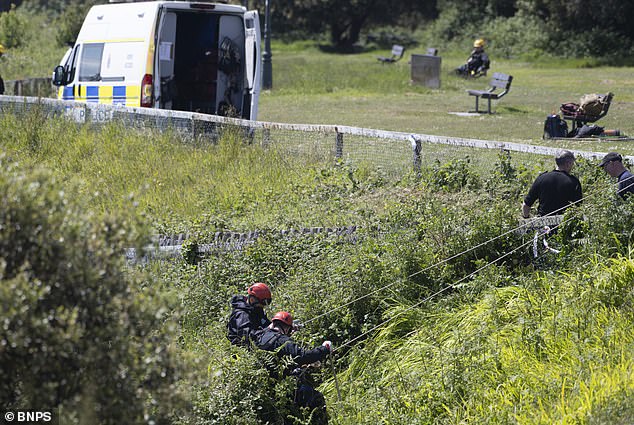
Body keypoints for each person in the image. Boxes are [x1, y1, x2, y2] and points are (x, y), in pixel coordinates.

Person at [254, 311, 332, 421]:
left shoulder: (261, 336)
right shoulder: (283, 341)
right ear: (286, 329)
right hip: (285, 387)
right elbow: (304, 356)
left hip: (265, 387)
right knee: (316, 399)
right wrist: (324, 349)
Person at [522, 150, 583, 218]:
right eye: (572, 163)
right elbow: (578, 207)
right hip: (564, 223)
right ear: (568, 164)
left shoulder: (542, 178)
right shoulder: (573, 182)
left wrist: (526, 218)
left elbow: (526, 205)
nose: (572, 166)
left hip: (543, 223)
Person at [227, 282, 272, 347]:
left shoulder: (256, 309)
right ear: (252, 299)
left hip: (258, 339)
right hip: (243, 348)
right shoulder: (242, 314)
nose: (263, 306)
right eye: (262, 303)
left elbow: (265, 323)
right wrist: (267, 331)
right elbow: (246, 336)